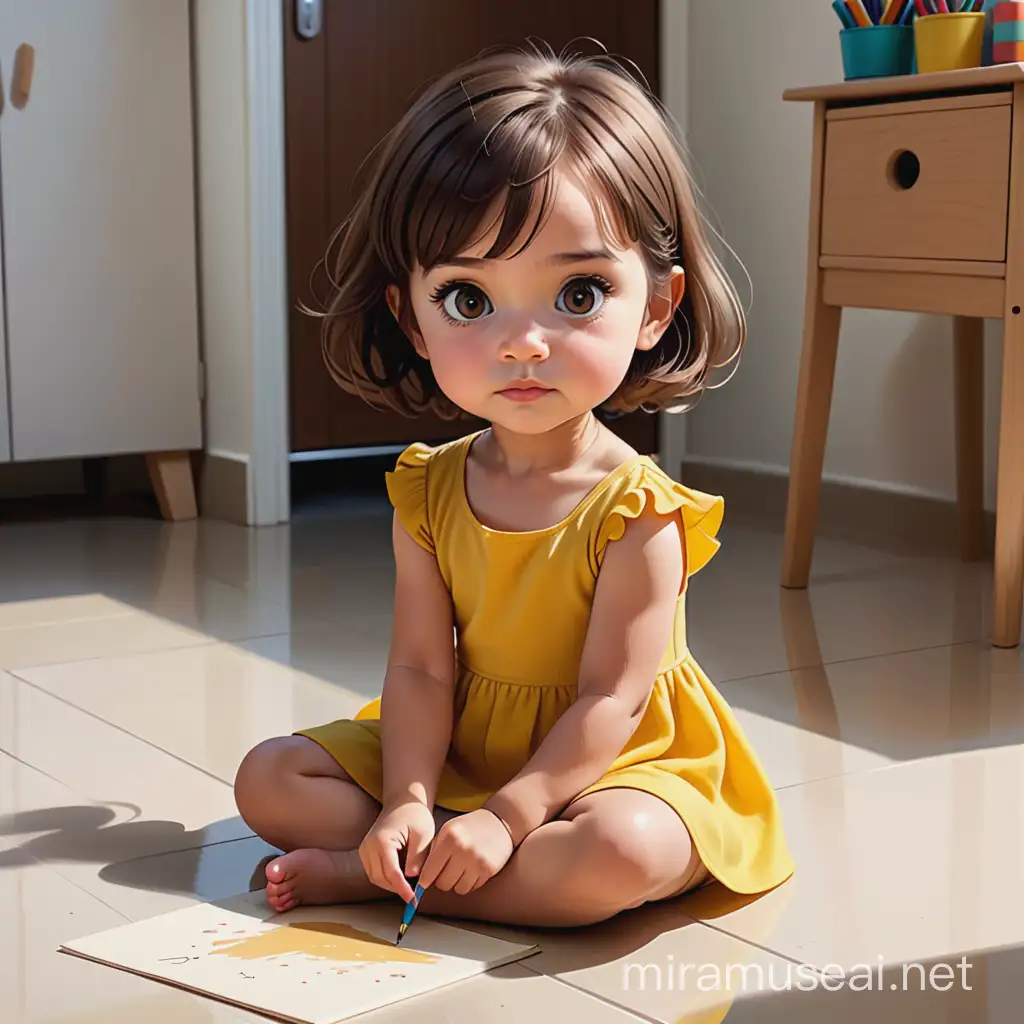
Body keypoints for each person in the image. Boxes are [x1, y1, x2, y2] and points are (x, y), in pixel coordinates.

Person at [234, 42, 794, 928]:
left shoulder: (642, 512)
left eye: (578, 294)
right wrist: (409, 799)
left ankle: (383, 879)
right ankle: (434, 856)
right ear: (409, 317)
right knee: (267, 779)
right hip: (468, 743)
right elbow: (421, 669)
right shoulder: (428, 491)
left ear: (656, 305)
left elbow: (613, 698)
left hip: (618, 761)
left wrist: (508, 814)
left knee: (622, 853)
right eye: (467, 298)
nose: (521, 342)